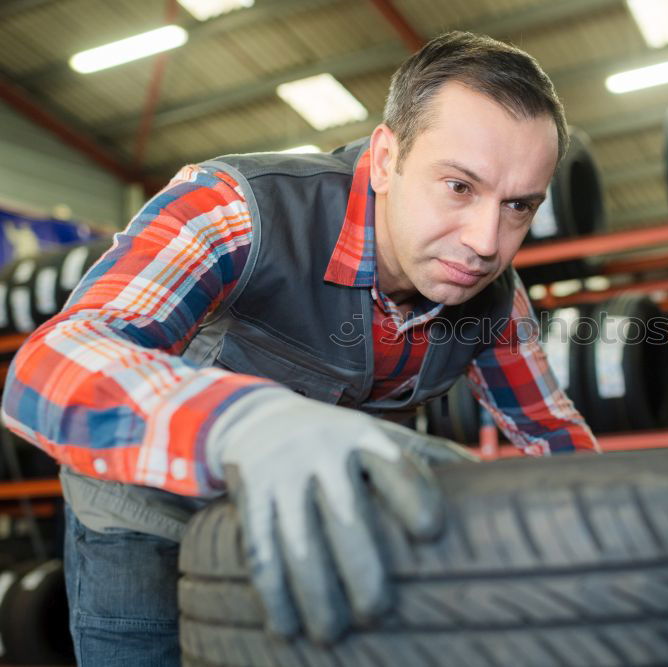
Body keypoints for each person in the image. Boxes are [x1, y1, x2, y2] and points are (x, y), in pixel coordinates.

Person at [1, 31, 598, 665]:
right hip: (145, 513)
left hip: (304, 520)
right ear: (388, 156)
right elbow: (50, 364)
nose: (486, 241)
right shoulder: (237, 207)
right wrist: (239, 421)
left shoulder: (496, 299)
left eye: (517, 207)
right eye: (458, 187)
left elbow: (551, 431)